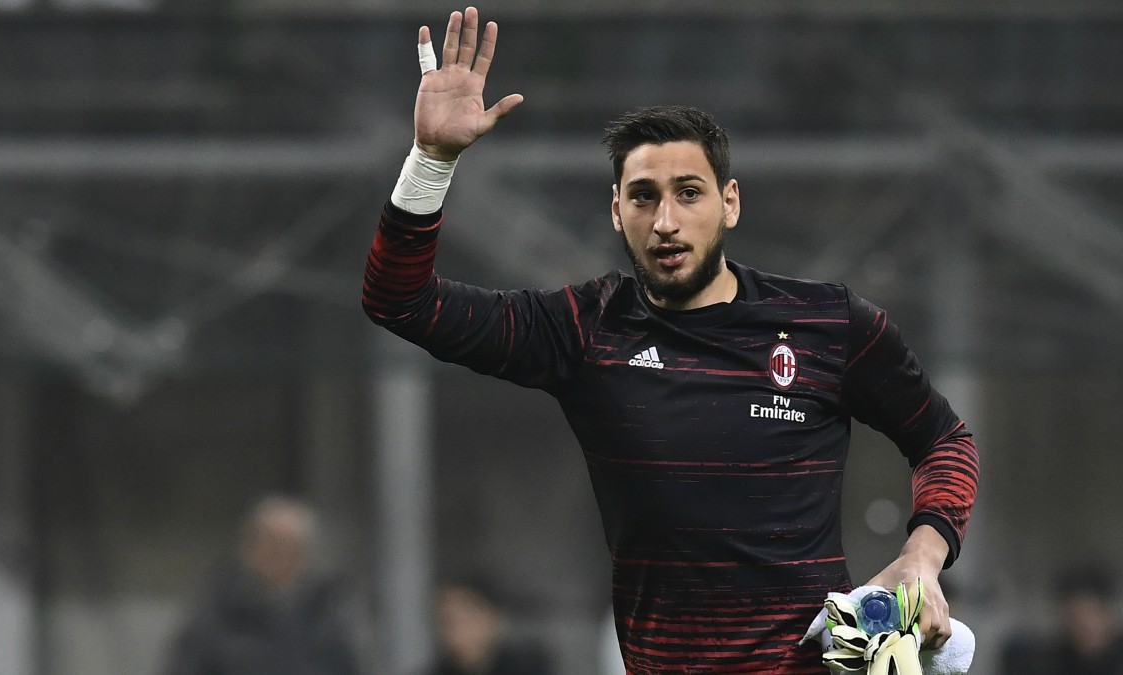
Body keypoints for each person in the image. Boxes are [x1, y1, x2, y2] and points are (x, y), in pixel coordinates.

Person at [363, 7, 979, 672]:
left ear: (731, 202)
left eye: (689, 192)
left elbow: (945, 440)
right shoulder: (583, 328)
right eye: (643, 196)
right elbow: (400, 300)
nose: (666, 220)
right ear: (615, 209)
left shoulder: (828, 323)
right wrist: (431, 160)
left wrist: (923, 552)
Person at [162, 495, 359, 675]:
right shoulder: (216, 612)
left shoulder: (326, 615)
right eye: (271, 543)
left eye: (288, 546)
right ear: (250, 546)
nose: (278, 555)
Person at [1000, 562, 1123, 675]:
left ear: (1107, 615)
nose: (1084, 625)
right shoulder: (1052, 663)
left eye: (1090, 613)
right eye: (1074, 617)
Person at [423, 576, 551, 675]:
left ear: (493, 618)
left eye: (467, 618)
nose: (457, 631)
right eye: (447, 621)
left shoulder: (529, 668)